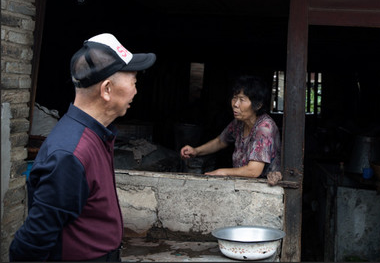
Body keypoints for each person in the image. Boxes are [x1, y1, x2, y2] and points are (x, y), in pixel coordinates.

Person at [10, 33, 156, 262]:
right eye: (134, 81)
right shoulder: (70, 154)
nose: (136, 91)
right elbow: (32, 243)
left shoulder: (94, 135)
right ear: (107, 89)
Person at [180, 75, 281, 179]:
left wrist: (222, 172)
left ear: (258, 105)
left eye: (242, 100)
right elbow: (220, 141)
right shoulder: (240, 122)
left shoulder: (264, 128)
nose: (235, 104)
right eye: (234, 98)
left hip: (263, 187)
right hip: (241, 184)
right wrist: (196, 151)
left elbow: (253, 171)